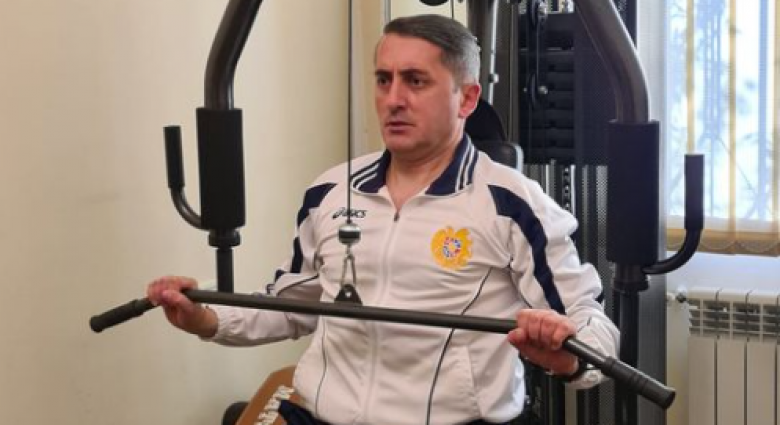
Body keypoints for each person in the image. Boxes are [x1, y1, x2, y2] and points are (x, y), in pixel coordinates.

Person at [147, 14, 618, 425]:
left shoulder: (511, 203)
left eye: (415, 81)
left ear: (467, 99)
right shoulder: (330, 190)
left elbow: (591, 324)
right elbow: (292, 304)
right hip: (320, 416)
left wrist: (568, 358)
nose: (394, 99)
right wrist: (205, 316)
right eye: (383, 79)